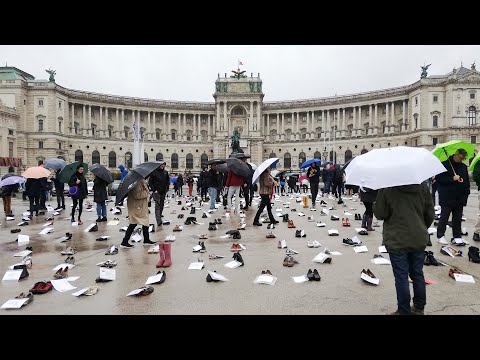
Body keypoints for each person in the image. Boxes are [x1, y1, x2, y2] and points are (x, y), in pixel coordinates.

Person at [373, 182, 434, 315]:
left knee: (401, 276)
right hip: (418, 237)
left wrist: (376, 202)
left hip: (397, 238)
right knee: (417, 273)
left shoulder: (387, 185)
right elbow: (430, 213)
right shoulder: (422, 185)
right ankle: (419, 307)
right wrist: (421, 227)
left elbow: (380, 213)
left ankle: (404, 311)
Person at [435, 149, 470, 245]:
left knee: (457, 218)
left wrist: (466, 193)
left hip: (459, 197)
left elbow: (466, 180)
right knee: (444, 216)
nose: (461, 160)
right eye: (460, 157)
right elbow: (439, 179)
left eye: (464, 158)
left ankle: (457, 237)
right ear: (455, 155)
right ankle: (440, 235)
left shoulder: (463, 166)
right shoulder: (444, 165)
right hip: (447, 196)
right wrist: (452, 179)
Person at [120, 178, 156, 248]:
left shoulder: (141, 182)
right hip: (136, 207)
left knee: (145, 222)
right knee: (133, 223)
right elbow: (137, 195)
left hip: (141, 206)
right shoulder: (135, 183)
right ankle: (124, 242)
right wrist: (147, 193)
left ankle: (146, 240)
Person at [148, 161, 169, 226]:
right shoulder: (154, 172)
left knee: (162, 205)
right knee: (157, 205)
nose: (163, 166)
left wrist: (166, 189)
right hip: (157, 192)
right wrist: (154, 190)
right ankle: (158, 220)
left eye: (164, 165)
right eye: (161, 165)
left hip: (163, 191)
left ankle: (159, 216)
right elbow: (150, 182)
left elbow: (167, 181)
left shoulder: (165, 172)